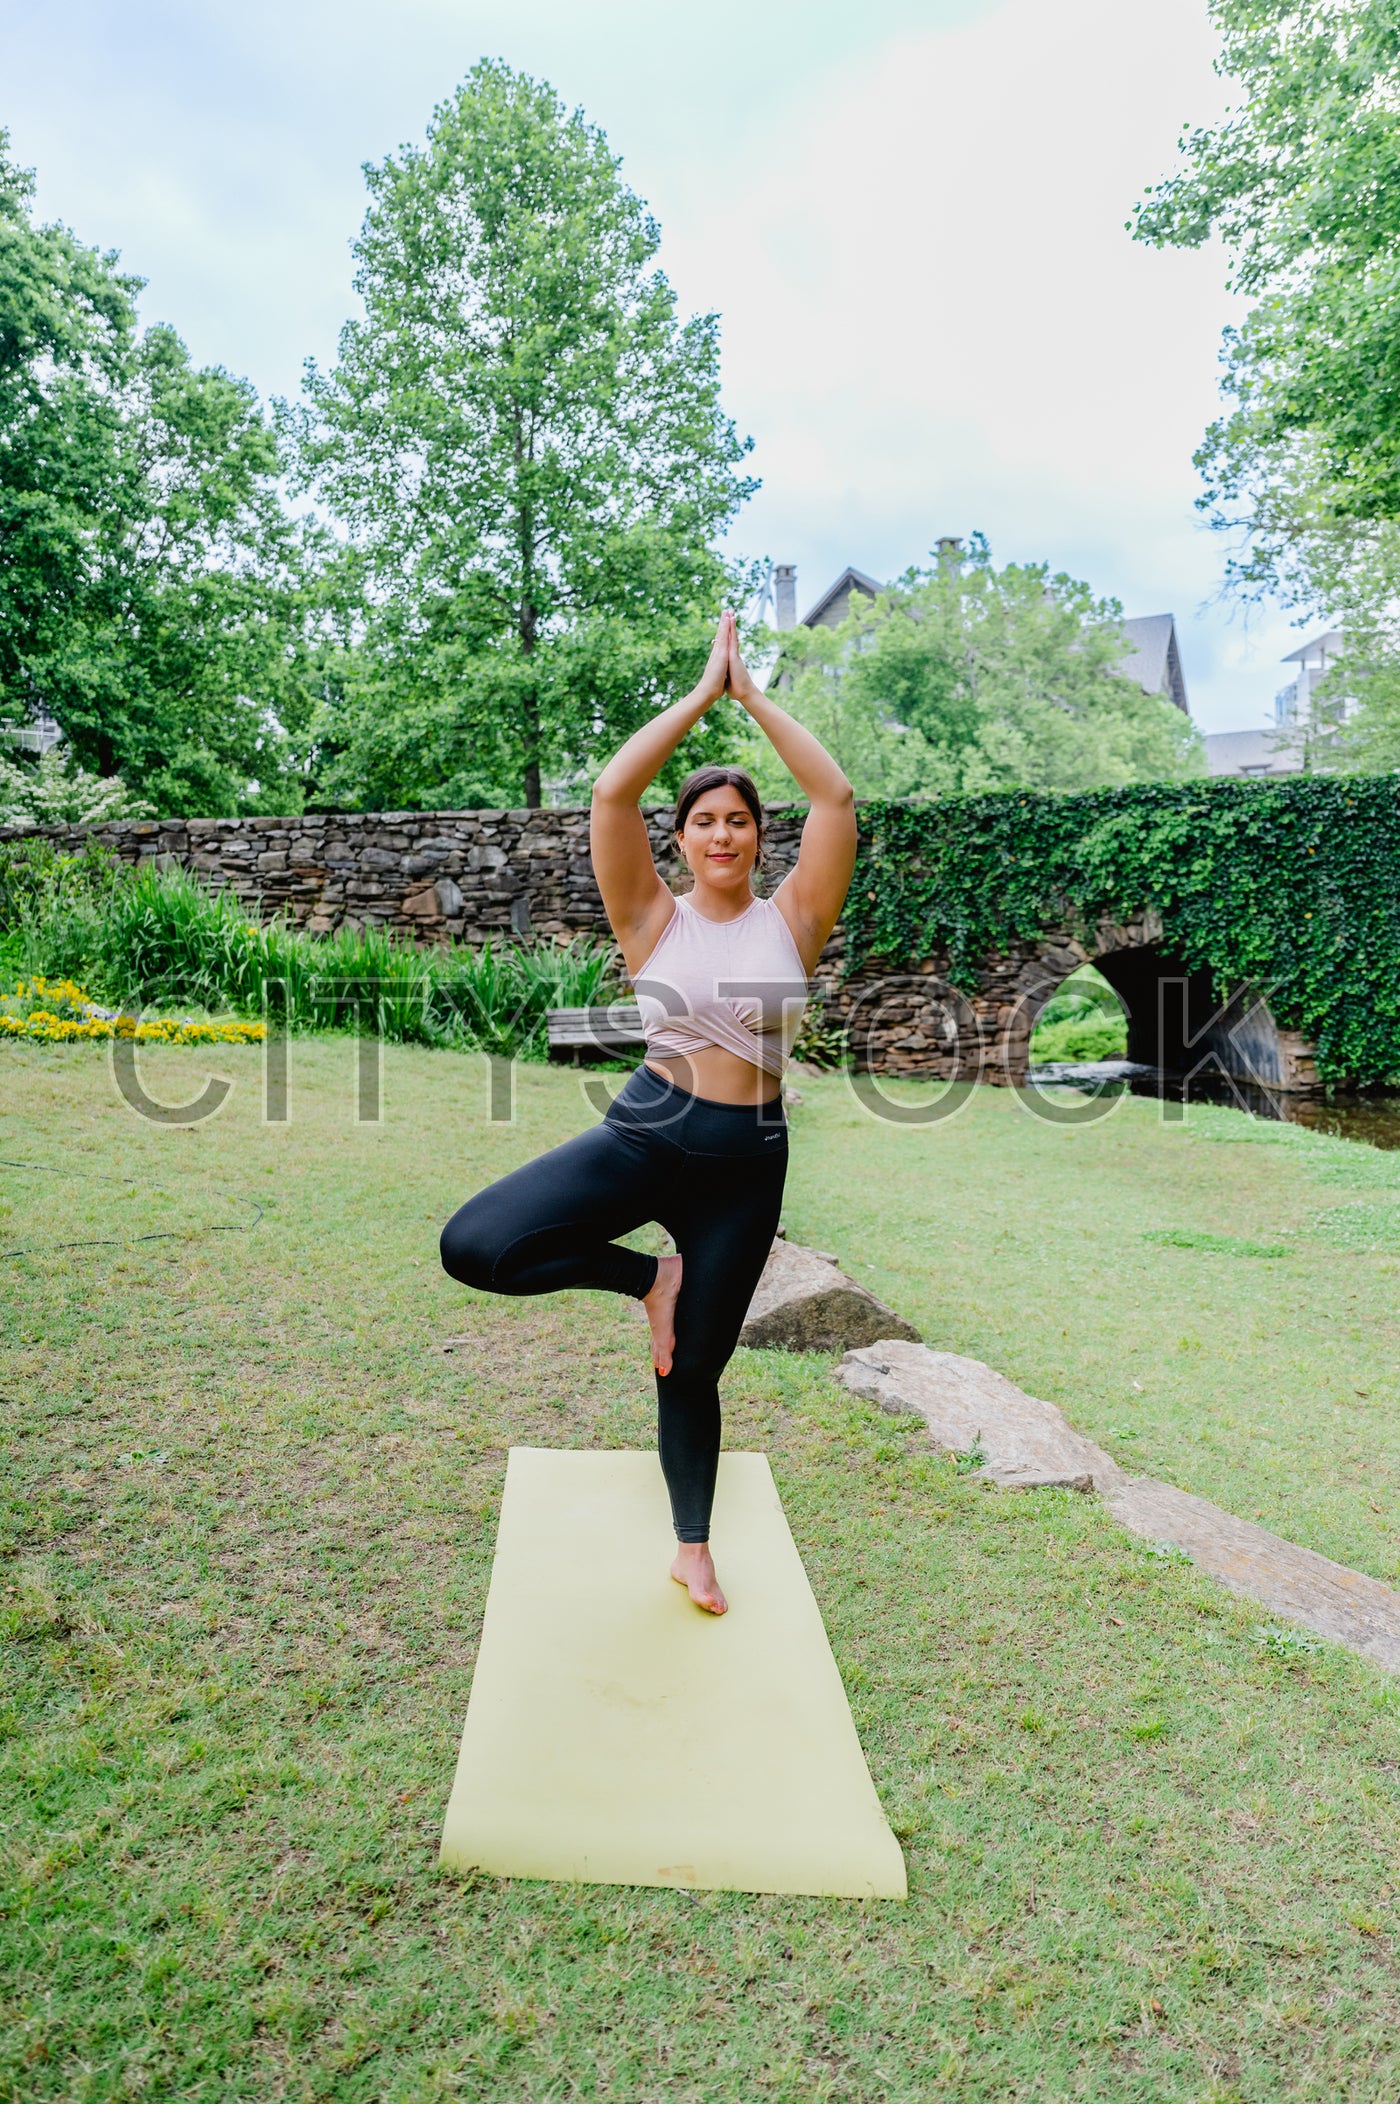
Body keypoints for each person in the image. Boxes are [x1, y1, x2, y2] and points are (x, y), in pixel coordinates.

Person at [439, 610, 856, 1614]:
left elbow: (834, 794)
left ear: (759, 837)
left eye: (739, 819)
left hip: (745, 1162)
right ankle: (647, 1278)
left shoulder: (793, 918)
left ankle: (692, 1545)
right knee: (477, 1245)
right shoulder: (647, 915)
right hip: (647, 1130)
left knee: (692, 1369)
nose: (722, 833)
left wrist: (750, 697)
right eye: (703, 820)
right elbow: (610, 789)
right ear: (679, 840)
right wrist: (697, 695)